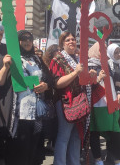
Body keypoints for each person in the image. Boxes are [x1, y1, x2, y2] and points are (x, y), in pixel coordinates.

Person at [0, 30, 52, 165]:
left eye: (30, 39)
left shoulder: (37, 59)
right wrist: (6, 66)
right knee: (17, 150)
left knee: (33, 150)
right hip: (17, 114)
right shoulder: (8, 58)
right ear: (17, 41)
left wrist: (45, 85)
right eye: (23, 39)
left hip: (36, 113)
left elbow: (49, 80)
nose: (27, 42)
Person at [49, 31, 96, 165]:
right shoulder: (57, 59)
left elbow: (82, 80)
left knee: (76, 136)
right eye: (67, 40)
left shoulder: (77, 59)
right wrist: (76, 72)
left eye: (73, 40)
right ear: (62, 43)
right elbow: (57, 83)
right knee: (64, 136)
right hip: (66, 102)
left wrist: (91, 76)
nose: (71, 42)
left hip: (79, 102)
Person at [88, 42, 120, 165]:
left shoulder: (109, 63)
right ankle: (98, 159)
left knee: (115, 131)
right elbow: (85, 85)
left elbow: (117, 80)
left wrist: (119, 92)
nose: (103, 51)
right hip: (96, 103)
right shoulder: (89, 64)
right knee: (95, 131)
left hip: (111, 101)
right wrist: (98, 78)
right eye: (100, 49)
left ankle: (117, 159)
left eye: (104, 49)